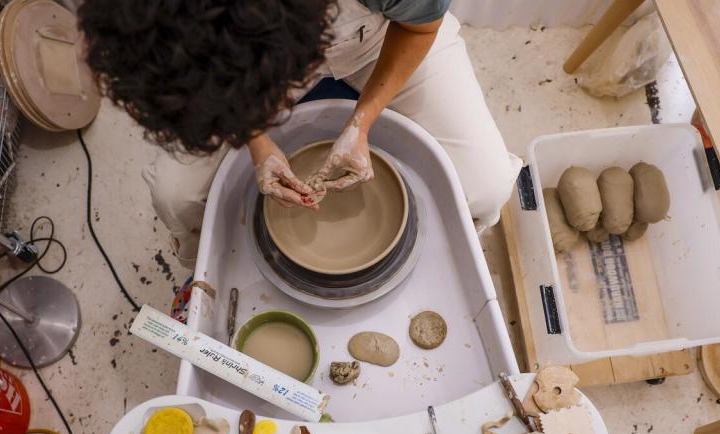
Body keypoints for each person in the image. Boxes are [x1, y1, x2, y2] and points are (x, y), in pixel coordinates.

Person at [79, 0, 521, 267]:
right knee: (178, 197)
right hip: (247, 53)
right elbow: (202, 84)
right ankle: (204, 283)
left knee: (485, 185)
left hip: (382, 35)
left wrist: (362, 121)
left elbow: (419, 25)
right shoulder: (168, 23)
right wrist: (257, 142)